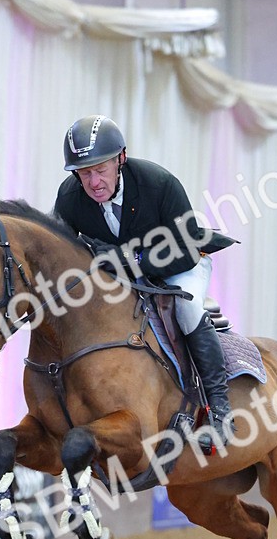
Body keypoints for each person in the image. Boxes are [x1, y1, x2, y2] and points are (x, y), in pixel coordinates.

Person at [54, 114, 237, 445]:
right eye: (84, 173)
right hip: (121, 278)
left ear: (120, 159)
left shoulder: (159, 183)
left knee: (188, 311)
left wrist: (127, 259)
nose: (93, 182)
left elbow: (185, 250)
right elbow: (61, 253)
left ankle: (219, 411)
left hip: (181, 264)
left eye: (100, 169)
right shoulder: (70, 197)